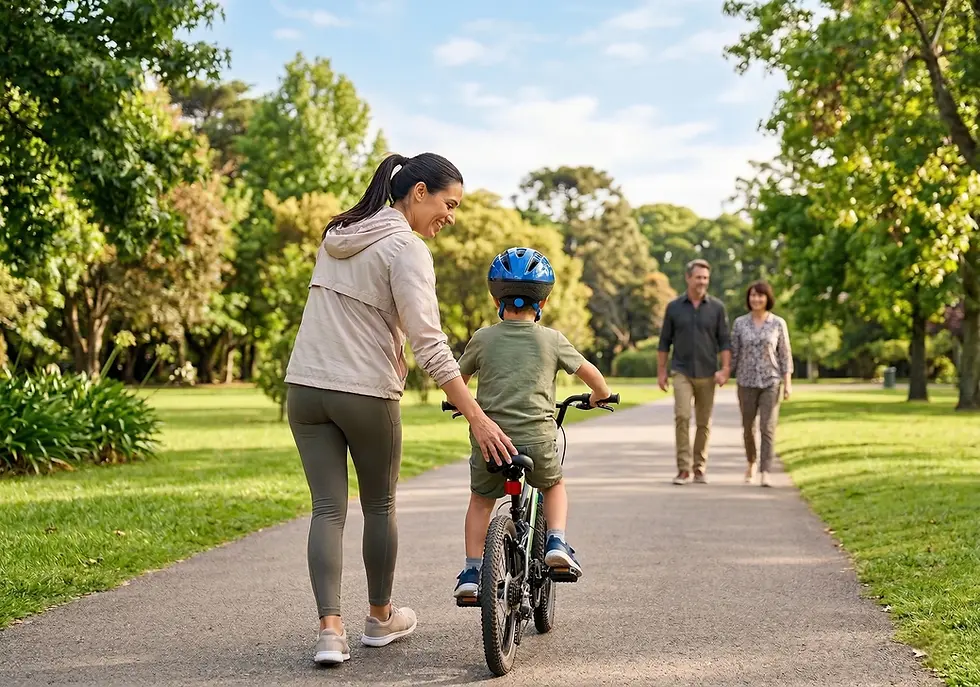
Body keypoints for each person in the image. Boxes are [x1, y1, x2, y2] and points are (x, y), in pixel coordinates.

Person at [284, 152, 518, 665]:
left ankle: (329, 632)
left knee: (326, 509)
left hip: (304, 388)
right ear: (418, 193)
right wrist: (477, 415)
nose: (450, 216)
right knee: (379, 507)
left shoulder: (338, 234)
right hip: (364, 391)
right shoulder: (405, 249)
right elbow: (429, 344)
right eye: (448, 203)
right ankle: (379, 616)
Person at [451, 247, 613, 600]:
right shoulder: (552, 340)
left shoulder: (482, 338)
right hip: (538, 439)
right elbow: (593, 376)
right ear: (542, 302)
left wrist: (457, 403)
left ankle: (471, 571)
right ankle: (556, 540)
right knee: (553, 485)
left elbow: (457, 381)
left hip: (490, 442)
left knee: (480, 500)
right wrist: (600, 395)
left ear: (498, 298)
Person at [657, 258, 731, 485]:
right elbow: (664, 342)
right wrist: (661, 371)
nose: (702, 282)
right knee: (682, 416)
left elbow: (724, 342)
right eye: (698, 277)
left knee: (703, 423)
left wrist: (726, 369)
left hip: (708, 373)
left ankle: (699, 467)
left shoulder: (717, 308)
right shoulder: (674, 307)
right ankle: (683, 469)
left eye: (705, 278)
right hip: (681, 371)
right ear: (688, 278)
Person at [729, 280, 794, 488]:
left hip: (770, 382)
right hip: (746, 381)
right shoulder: (740, 323)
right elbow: (734, 354)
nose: (756, 299)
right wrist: (723, 373)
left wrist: (787, 383)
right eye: (753, 295)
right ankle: (751, 462)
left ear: (767, 298)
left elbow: (785, 355)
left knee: (767, 428)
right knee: (748, 427)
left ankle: (766, 471)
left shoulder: (777, 323)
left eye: (760, 295)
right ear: (749, 299)